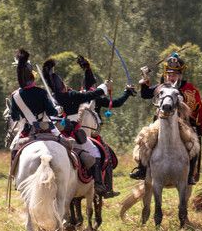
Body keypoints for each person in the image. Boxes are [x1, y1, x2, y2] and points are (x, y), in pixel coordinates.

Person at [45, 55, 136, 198]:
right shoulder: (76, 95)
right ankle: (100, 184)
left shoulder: (55, 96)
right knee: (100, 153)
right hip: (77, 133)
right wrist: (104, 88)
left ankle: (106, 186)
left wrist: (87, 69)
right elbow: (92, 92)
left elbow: (110, 100)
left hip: (61, 132)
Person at [131, 52, 202, 183]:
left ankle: (189, 175)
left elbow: (198, 109)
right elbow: (145, 94)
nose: (171, 77)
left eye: (175, 74)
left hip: (182, 124)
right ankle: (142, 170)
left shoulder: (190, 90)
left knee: (193, 144)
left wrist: (200, 128)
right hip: (160, 124)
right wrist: (144, 79)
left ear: (180, 75)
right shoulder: (161, 87)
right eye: (169, 74)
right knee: (144, 141)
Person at [8, 49, 61, 154]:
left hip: (27, 130)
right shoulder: (41, 92)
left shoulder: (15, 96)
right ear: (32, 76)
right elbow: (51, 112)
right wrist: (57, 110)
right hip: (46, 128)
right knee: (66, 144)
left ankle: (13, 170)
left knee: (13, 150)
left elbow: (14, 117)